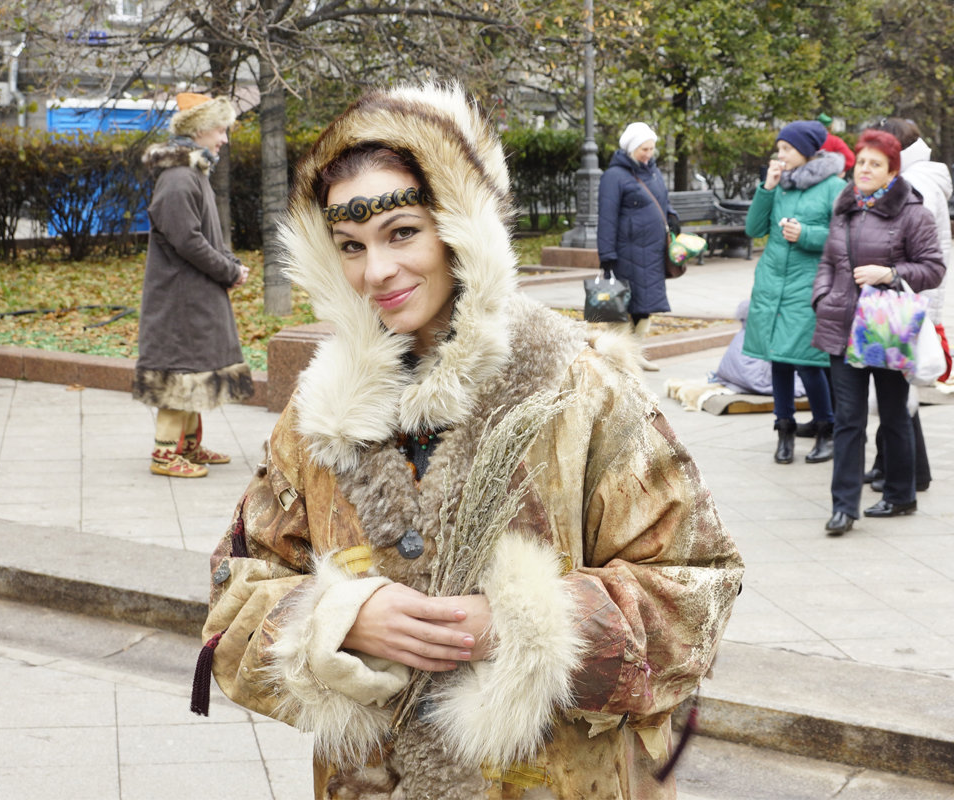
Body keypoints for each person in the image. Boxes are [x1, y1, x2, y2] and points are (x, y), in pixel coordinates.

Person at [196, 84, 743, 799]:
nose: (377, 272)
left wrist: (525, 629)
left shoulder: (580, 388)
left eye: (402, 232)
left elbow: (700, 590)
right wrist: (341, 618)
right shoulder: (318, 414)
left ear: (462, 225)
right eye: (350, 246)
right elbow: (233, 598)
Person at [811, 130, 945, 536]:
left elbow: (934, 267)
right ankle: (844, 508)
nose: (865, 170)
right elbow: (828, 262)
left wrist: (890, 273)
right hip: (842, 326)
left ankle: (901, 493)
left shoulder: (913, 212)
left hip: (887, 327)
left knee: (892, 415)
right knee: (848, 420)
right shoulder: (844, 207)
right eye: (861, 162)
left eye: (875, 164)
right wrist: (822, 297)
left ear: (891, 172)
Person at [132, 92, 253, 478]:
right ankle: (165, 455)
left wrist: (230, 263)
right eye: (220, 130)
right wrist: (228, 270)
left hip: (192, 293)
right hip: (179, 297)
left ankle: (188, 446)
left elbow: (202, 235)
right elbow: (188, 241)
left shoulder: (192, 173)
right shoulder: (180, 178)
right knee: (178, 371)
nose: (224, 139)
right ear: (199, 130)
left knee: (192, 369)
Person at [742, 120, 845, 465]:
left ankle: (826, 429)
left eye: (786, 148)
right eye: (779, 148)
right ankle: (783, 429)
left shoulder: (834, 187)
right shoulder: (780, 186)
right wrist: (767, 187)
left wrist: (806, 235)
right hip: (772, 283)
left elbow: (843, 237)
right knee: (779, 359)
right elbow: (754, 228)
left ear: (805, 150)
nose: (779, 154)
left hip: (808, 284)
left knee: (806, 361)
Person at [861, 117, 954, 494]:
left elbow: (912, 251)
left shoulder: (915, 186)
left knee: (897, 393)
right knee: (896, 391)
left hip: (905, 299)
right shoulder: (923, 178)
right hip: (909, 295)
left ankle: (906, 472)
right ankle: (898, 466)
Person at [597, 121, 678, 371]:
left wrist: (673, 218)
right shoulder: (614, 176)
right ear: (631, 148)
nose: (649, 153)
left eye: (652, 148)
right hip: (626, 252)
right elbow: (607, 216)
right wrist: (607, 254)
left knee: (646, 304)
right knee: (621, 305)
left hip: (653, 252)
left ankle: (636, 352)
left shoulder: (653, 172)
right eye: (644, 149)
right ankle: (621, 356)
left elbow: (662, 202)